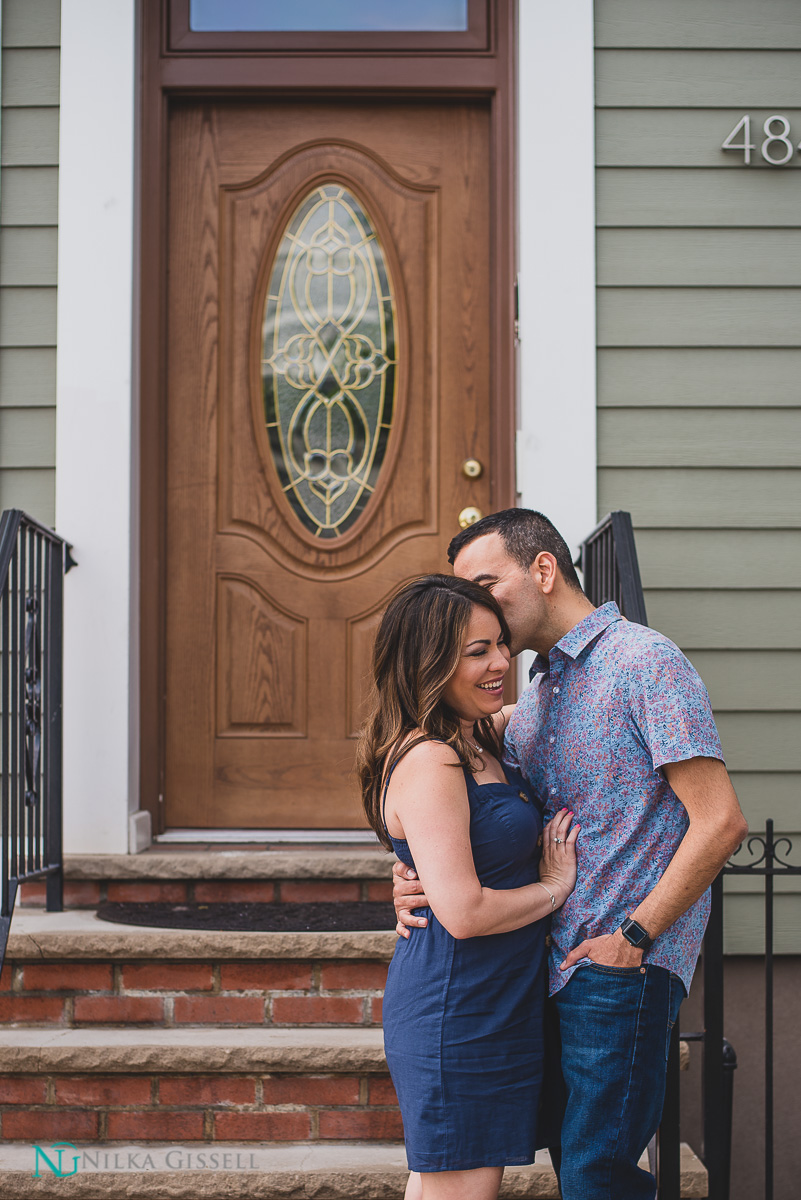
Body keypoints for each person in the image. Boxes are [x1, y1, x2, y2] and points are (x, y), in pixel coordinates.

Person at [392, 510, 748, 1200]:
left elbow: (720, 823)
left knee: (597, 1177)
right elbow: (457, 800)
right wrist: (413, 872)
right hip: (542, 965)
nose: (473, 606)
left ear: (544, 571)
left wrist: (634, 938)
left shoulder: (642, 661)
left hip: (618, 964)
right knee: (577, 1171)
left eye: (486, 584)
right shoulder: (536, 696)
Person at [358, 574, 578, 1200]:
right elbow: (464, 912)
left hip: (495, 1000)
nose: (501, 664)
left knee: (442, 1187)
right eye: (476, 651)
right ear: (428, 663)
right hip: (459, 1009)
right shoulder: (430, 758)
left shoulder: (479, 737)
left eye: (501, 645)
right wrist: (555, 887)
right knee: (459, 1188)